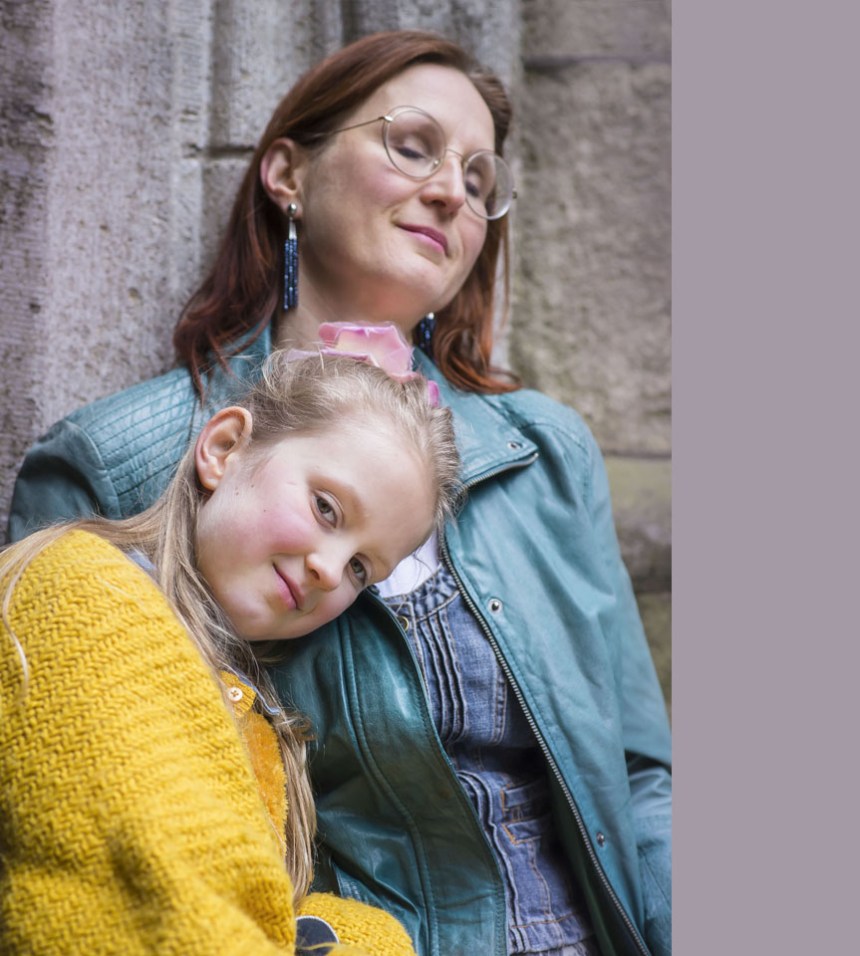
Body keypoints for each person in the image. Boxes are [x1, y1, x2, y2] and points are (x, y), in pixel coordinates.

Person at [6, 29, 672, 956]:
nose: (452, 190)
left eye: (480, 182)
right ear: (287, 171)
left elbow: (640, 778)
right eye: (412, 145)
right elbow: (99, 814)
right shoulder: (113, 463)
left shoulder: (545, 453)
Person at [1, 335, 461, 955]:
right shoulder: (83, 594)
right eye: (326, 509)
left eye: (362, 570)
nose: (331, 570)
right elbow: (166, 918)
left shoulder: (260, 719)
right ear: (223, 448)